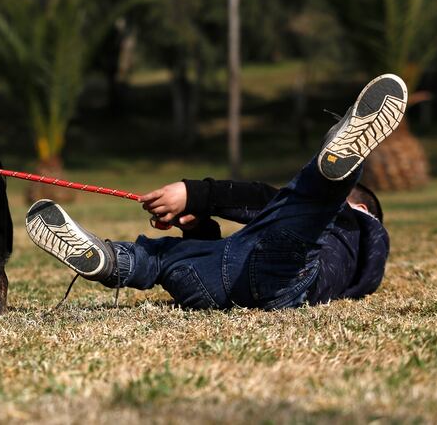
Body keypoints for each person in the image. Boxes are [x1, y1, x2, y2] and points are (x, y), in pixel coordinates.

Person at [25, 74, 406, 310]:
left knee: (158, 259)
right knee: (179, 250)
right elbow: (235, 251)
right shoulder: (363, 258)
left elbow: (259, 199)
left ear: (361, 207)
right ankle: (333, 162)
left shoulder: (358, 225)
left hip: (215, 286)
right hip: (266, 281)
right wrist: (196, 226)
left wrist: (195, 194)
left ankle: (113, 260)